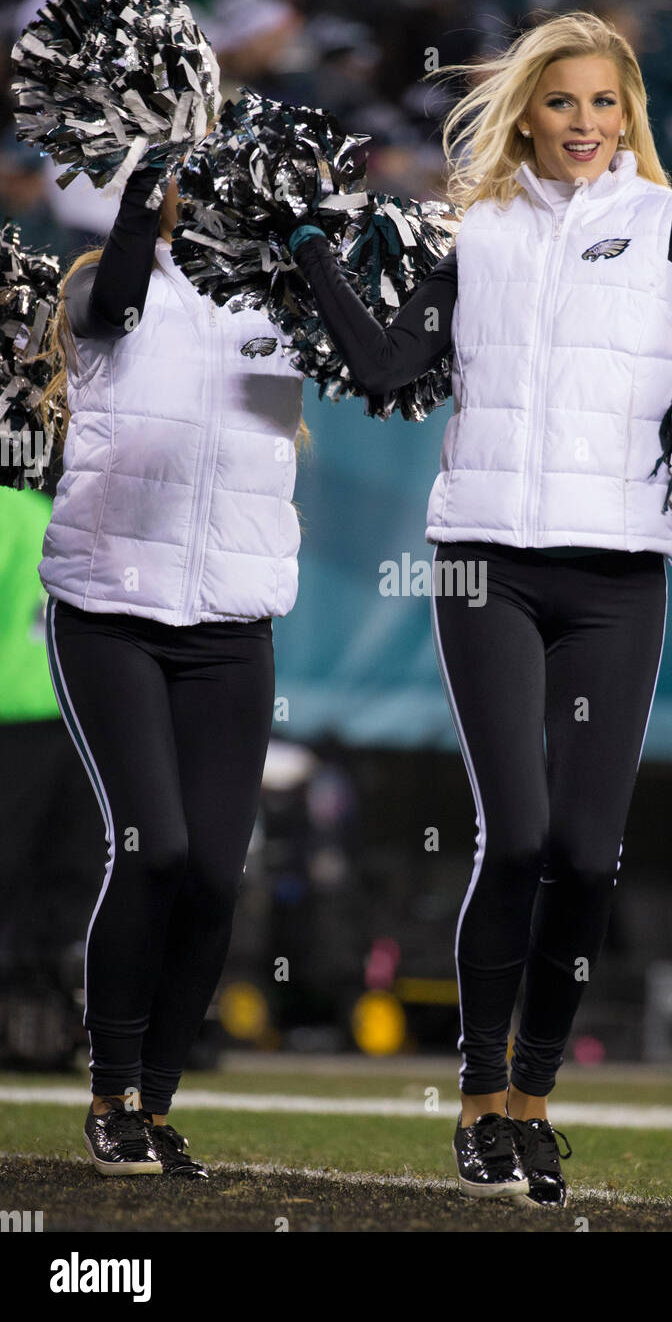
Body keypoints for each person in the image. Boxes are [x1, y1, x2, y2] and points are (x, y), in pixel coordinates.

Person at [283, 10, 672, 1206]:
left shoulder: (667, 225)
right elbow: (388, 371)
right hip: (484, 562)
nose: (584, 124)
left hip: (617, 573)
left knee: (589, 856)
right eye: (561, 103)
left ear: (627, 114)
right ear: (527, 113)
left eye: (604, 104)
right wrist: (310, 253)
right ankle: (477, 1098)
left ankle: (533, 1099)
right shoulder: (474, 231)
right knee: (523, 837)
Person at [36, 155, 309, 1177]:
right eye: (199, 180)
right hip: (111, 613)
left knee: (211, 873)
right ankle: (107, 1089)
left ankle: (155, 1101)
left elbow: (265, 454)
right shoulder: (111, 281)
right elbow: (113, 303)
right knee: (150, 849)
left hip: (232, 629)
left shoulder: (276, 315)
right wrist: (153, 159)